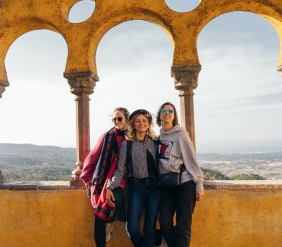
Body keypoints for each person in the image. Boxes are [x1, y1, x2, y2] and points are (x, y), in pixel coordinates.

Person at [106, 109, 160, 247]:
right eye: (138, 121)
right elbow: (120, 170)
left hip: (155, 188)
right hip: (137, 188)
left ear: (149, 123)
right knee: (132, 229)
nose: (141, 123)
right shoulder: (127, 144)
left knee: (149, 229)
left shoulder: (155, 143)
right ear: (133, 124)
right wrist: (110, 187)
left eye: (144, 120)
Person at [156, 102, 204, 247]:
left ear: (174, 115)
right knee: (164, 222)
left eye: (170, 111)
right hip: (166, 185)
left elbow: (191, 158)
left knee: (183, 225)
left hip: (184, 184)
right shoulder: (158, 136)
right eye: (164, 111)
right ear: (159, 115)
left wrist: (199, 183)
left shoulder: (181, 134)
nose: (167, 113)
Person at [80, 107, 130, 247]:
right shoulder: (107, 136)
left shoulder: (132, 137)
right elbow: (93, 155)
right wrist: (86, 176)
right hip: (104, 180)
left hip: (123, 180)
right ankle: (107, 223)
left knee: (116, 201)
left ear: (127, 119)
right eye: (114, 119)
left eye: (119, 118)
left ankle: (111, 220)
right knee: (99, 217)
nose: (116, 121)